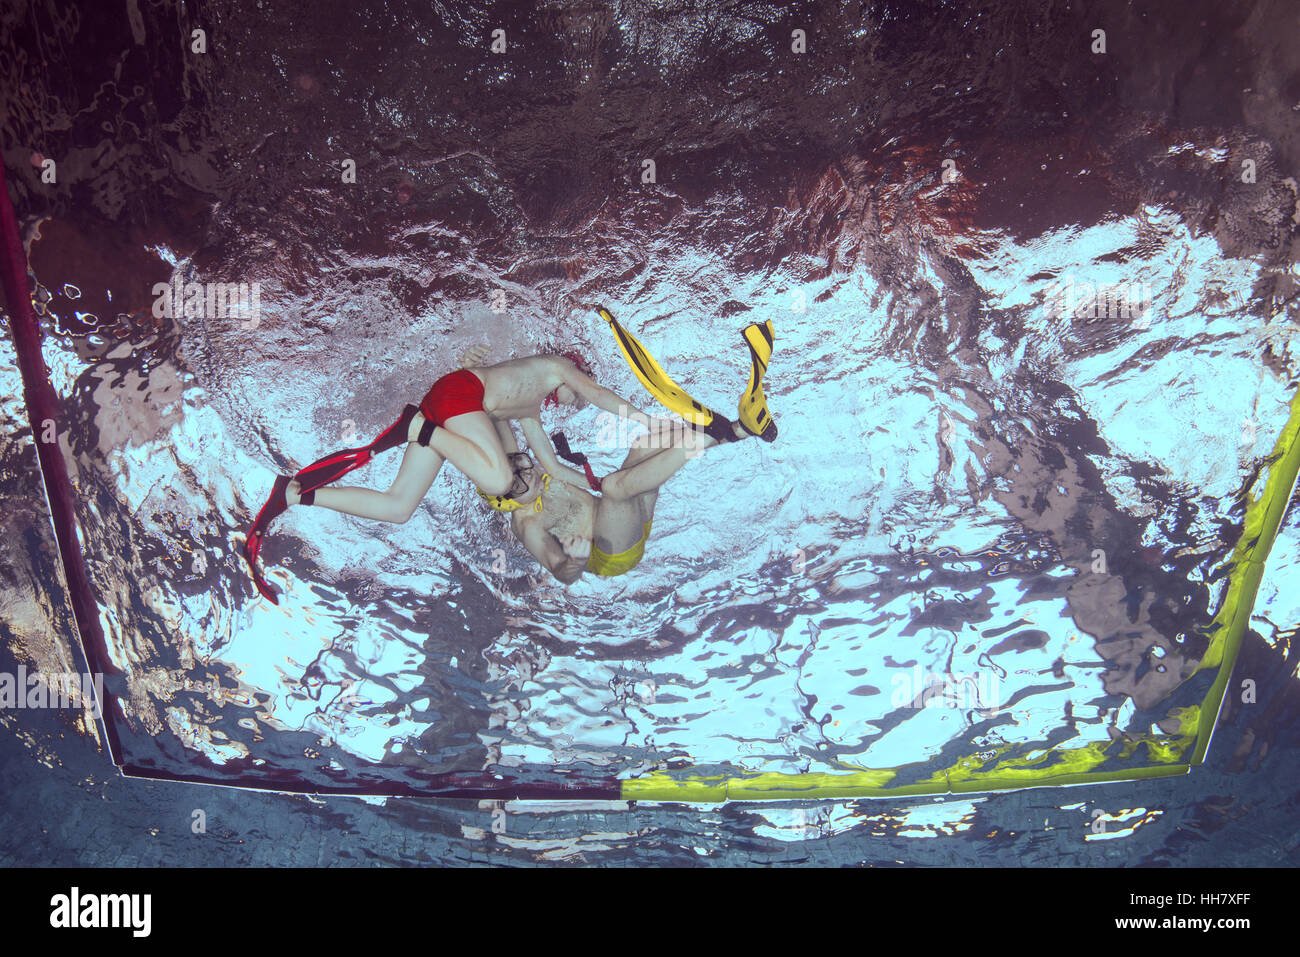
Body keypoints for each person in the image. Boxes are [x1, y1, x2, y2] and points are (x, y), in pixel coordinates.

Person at [243, 345, 651, 603]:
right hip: (453, 401)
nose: (571, 401)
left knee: (398, 507)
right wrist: (645, 419)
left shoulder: (529, 413)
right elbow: (597, 394)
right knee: (494, 478)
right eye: (573, 393)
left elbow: (553, 466)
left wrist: (592, 486)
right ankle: (416, 429)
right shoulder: (558, 367)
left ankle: (296, 495)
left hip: (446, 411)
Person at [479, 307, 780, 582]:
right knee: (614, 487)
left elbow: (496, 416)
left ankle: (740, 430)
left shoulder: (522, 476)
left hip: (628, 518)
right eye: (520, 482)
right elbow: (561, 572)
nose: (528, 473)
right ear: (506, 501)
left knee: (644, 446)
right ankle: (711, 432)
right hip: (611, 552)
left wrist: (474, 373)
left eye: (521, 463)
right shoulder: (527, 524)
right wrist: (576, 561)